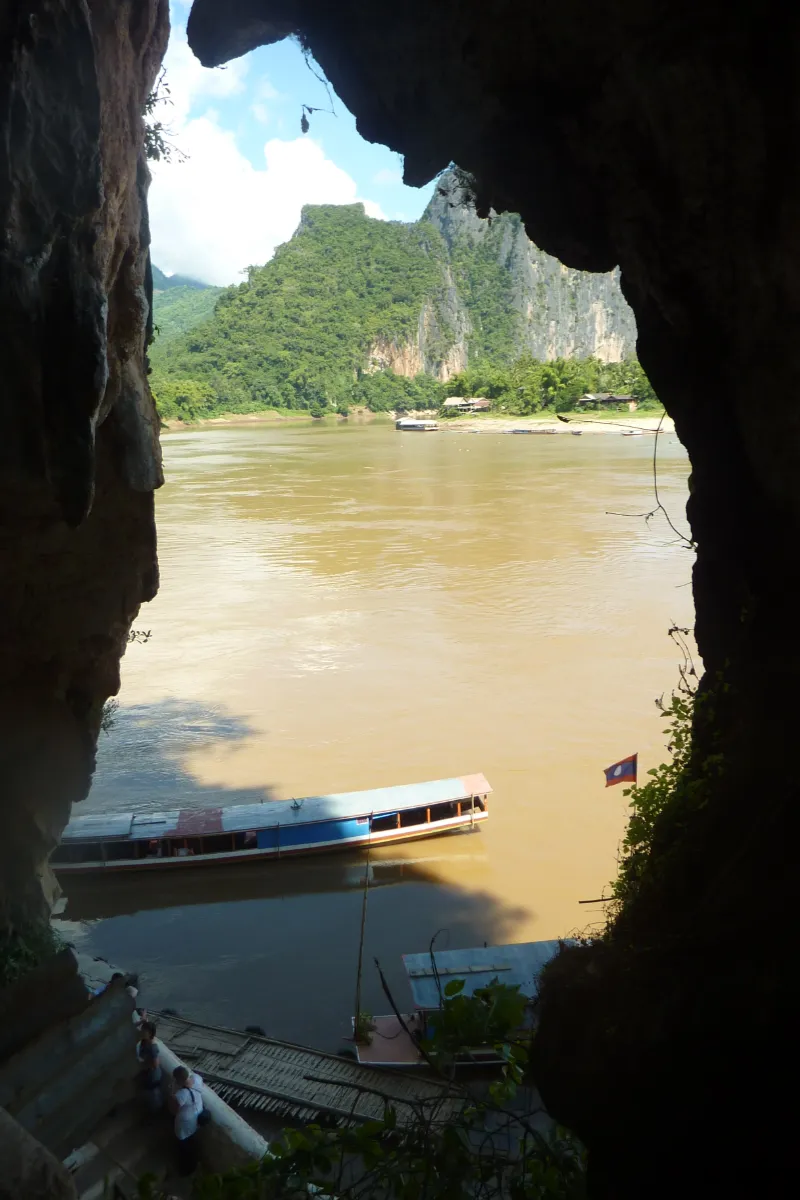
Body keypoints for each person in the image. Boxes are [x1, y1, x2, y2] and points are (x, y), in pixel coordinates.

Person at [170, 1065, 205, 1175]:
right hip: (196, 1118)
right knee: (191, 1143)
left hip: (184, 1124)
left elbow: (174, 1110)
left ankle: (186, 1169)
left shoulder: (182, 1094)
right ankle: (193, 1165)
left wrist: (172, 1095)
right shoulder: (197, 1079)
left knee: (184, 1147)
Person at [136, 1020, 163, 1112]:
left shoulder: (153, 1047)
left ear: (150, 1033)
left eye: (144, 1031)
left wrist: (143, 1064)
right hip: (147, 1072)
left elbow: (155, 1064)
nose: (142, 1032)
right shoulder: (144, 1041)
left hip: (153, 1075)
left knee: (154, 1096)